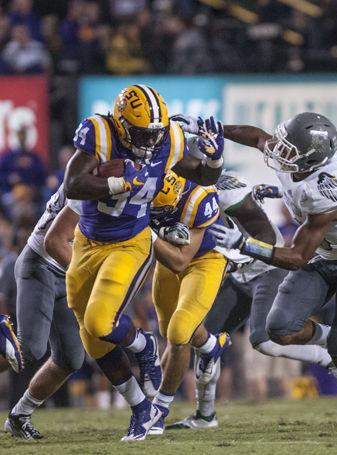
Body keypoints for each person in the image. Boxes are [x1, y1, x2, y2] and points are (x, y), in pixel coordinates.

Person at [63, 84, 224, 441]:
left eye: (155, 134)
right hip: (87, 240)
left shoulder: (171, 141)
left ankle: (145, 346)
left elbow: (203, 176)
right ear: (121, 124)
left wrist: (214, 161)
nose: (150, 142)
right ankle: (140, 408)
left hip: (129, 242)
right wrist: (120, 182)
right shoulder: (100, 132)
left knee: (100, 320)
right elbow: (73, 185)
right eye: (141, 134)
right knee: (91, 338)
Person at [211, 112, 337, 431]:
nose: (278, 151)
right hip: (323, 255)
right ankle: (332, 336)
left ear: (311, 159)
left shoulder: (331, 190)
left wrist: (244, 244)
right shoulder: (296, 159)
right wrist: (213, 129)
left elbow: (296, 257)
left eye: (289, 149)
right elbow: (256, 136)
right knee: (278, 328)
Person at [167, 173, 337, 430]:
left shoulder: (226, 190)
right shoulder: (175, 192)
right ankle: (205, 415)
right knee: (205, 340)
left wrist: (231, 253)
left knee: (264, 342)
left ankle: (326, 356)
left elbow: (265, 235)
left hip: (267, 269)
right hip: (238, 275)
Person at [147, 170, 231, 434]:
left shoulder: (198, 196)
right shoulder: (144, 183)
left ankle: (159, 409)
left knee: (179, 332)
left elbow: (181, 259)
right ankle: (209, 344)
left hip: (204, 260)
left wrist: (146, 232)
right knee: (168, 330)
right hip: (166, 263)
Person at [2, 184, 84, 439]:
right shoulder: (93, 177)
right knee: (29, 348)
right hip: (43, 263)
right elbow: (54, 241)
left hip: (65, 270)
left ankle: (19, 416)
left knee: (70, 359)